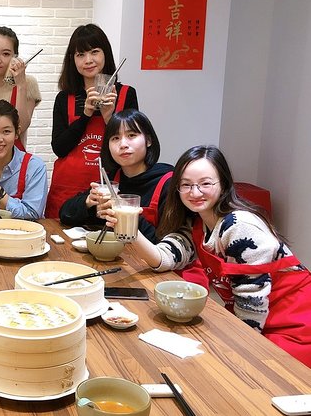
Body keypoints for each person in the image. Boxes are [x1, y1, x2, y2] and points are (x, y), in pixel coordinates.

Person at [103, 145, 311, 367]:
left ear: (223, 184)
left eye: (205, 183)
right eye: (186, 185)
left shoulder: (239, 225)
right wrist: (129, 229)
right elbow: (163, 258)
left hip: (295, 325)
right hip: (256, 319)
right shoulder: (197, 224)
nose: (195, 192)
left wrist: (234, 355)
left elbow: (252, 303)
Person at [46, 23, 138, 218]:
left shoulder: (126, 94)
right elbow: (59, 148)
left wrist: (108, 117)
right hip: (66, 191)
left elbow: (133, 148)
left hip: (110, 189)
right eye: (80, 55)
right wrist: (85, 115)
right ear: (73, 60)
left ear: (105, 54)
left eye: (94, 52)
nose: (88, 60)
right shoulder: (64, 98)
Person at [60, 110, 172, 242]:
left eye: (131, 135)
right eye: (115, 138)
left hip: (151, 261)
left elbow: (166, 245)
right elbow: (64, 213)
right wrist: (89, 202)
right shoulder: (111, 180)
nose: (123, 144)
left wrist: (124, 212)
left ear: (148, 140)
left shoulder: (168, 183)